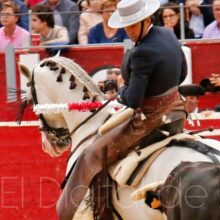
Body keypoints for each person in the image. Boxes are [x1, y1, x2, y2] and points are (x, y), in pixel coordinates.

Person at [56, 0, 188, 219]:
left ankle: (92, 211)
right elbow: (182, 73)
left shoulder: (141, 53)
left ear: (146, 19)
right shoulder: (167, 34)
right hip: (177, 110)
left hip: (150, 120)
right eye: (126, 26)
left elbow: (134, 100)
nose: (129, 31)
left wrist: (120, 90)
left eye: (133, 25)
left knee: (93, 153)